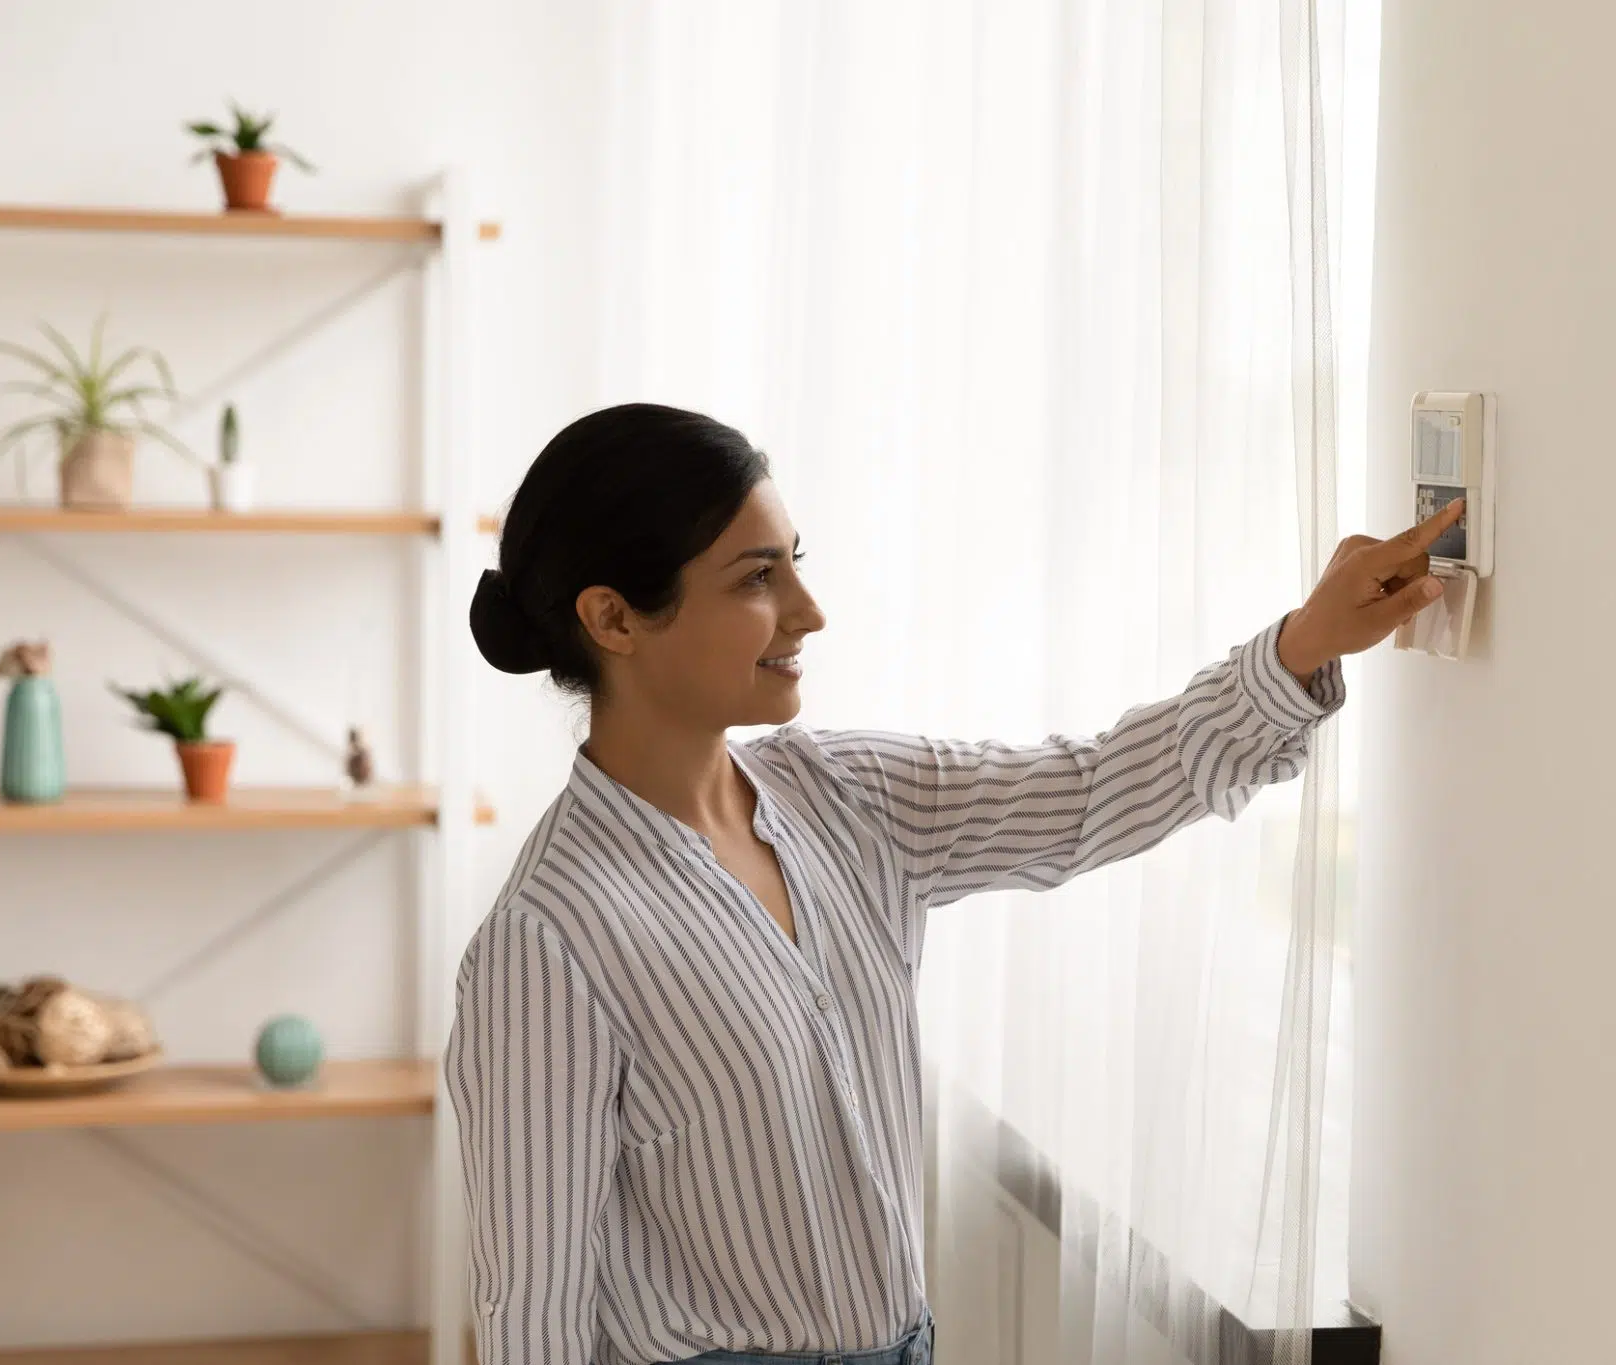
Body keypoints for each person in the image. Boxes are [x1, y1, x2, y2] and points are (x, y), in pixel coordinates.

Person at [449, 403, 1460, 1365]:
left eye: (793, 563)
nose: (809, 611)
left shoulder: (845, 795)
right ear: (612, 618)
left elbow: (1088, 789)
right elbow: (531, 1309)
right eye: (756, 578)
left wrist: (1301, 644)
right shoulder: (548, 940)